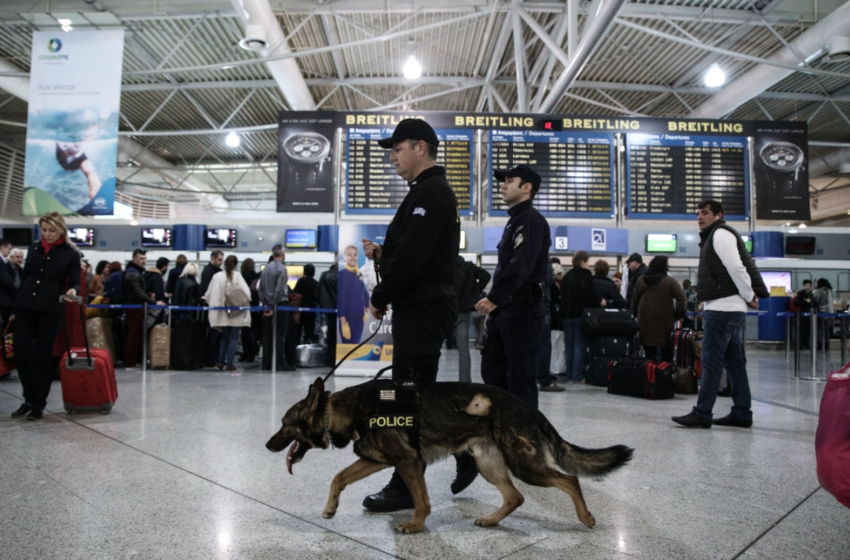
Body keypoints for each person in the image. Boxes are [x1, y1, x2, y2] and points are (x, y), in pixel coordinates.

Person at [360, 118, 460, 512]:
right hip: (420, 307)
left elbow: (415, 262)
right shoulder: (426, 192)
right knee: (414, 395)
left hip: (422, 309)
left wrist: (379, 295)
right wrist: (386, 255)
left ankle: (403, 487)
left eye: (397, 149)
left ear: (420, 147)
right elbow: (418, 253)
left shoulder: (429, 194)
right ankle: (462, 453)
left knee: (404, 399)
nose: (393, 158)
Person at [672, 200, 769, 429]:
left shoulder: (720, 234)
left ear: (718, 215)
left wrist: (748, 295)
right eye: (697, 213)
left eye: (704, 212)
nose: (699, 217)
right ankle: (742, 412)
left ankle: (702, 413)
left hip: (723, 308)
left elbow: (737, 268)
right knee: (735, 363)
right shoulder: (715, 235)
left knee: (711, 361)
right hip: (730, 308)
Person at [477, 163, 552, 407]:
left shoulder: (530, 220)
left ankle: (525, 441)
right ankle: (503, 434)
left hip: (523, 312)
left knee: (521, 380)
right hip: (507, 313)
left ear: (526, 187)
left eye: (510, 180)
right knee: (493, 373)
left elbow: (521, 265)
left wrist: (494, 297)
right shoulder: (516, 221)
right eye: (503, 180)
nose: (503, 185)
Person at [10, 212, 81, 421]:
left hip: (50, 309)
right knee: (21, 355)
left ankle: (38, 403)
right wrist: (15, 308)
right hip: (25, 306)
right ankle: (29, 398)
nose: (47, 234)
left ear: (61, 230)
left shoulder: (71, 253)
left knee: (43, 357)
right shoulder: (33, 248)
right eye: (44, 230)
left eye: (52, 230)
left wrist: (73, 290)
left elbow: (75, 281)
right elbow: (26, 278)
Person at [560, 251, 606, 383]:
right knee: (579, 345)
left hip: (565, 314)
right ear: (582, 262)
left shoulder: (567, 275)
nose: (588, 265)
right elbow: (589, 290)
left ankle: (569, 374)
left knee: (569, 344)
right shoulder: (585, 274)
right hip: (579, 313)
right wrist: (599, 301)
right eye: (587, 262)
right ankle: (577, 376)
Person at [631, 256, 686, 362]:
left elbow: (635, 300)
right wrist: (679, 315)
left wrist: (634, 315)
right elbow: (681, 299)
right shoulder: (670, 281)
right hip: (665, 320)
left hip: (645, 319)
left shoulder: (641, 280)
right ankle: (664, 374)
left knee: (648, 352)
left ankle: (650, 375)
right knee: (666, 352)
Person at [205, 255, 251, 371]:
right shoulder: (238, 276)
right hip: (236, 312)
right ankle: (230, 363)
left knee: (224, 337)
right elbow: (247, 294)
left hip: (222, 312)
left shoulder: (217, 276)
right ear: (235, 265)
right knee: (233, 338)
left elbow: (208, 295)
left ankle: (220, 362)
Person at [123, 249, 164, 368]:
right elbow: (138, 292)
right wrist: (154, 301)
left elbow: (139, 291)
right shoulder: (133, 273)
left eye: (145, 258)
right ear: (134, 260)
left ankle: (133, 360)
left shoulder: (134, 272)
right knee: (133, 334)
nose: (143, 261)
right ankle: (130, 361)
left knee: (135, 334)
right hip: (134, 307)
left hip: (135, 305)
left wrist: (148, 295)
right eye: (141, 259)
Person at [452, 255, 491, 383]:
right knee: (463, 350)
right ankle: (465, 382)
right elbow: (486, 275)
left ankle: (431, 382)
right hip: (463, 311)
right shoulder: (468, 267)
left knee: (434, 347)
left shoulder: (444, 265)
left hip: (445, 310)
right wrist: (474, 292)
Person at [258, 244, 293, 371]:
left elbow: (260, 288)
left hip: (267, 304)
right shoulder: (282, 269)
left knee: (267, 335)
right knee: (280, 334)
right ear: (283, 254)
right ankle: (280, 363)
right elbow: (279, 289)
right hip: (280, 304)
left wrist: (266, 304)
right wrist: (274, 304)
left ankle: (266, 363)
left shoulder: (266, 269)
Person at [537, 259, 565, 392]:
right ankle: (545, 380)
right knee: (543, 345)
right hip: (541, 306)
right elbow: (548, 280)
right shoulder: (543, 260)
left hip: (525, 307)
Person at [338, 246, 371, 344]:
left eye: (355, 255)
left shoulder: (359, 274)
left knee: (356, 344)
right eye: (349, 255)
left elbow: (364, 292)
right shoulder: (341, 275)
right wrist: (342, 317)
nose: (352, 257)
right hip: (347, 317)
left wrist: (367, 308)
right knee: (347, 345)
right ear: (344, 257)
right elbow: (340, 296)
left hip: (359, 316)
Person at [201, 251, 225, 366]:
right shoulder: (208, 272)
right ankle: (210, 359)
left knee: (217, 335)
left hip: (218, 307)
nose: (221, 262)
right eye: (219, 260)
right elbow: (206, 291)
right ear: (213, 258)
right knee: (213, 335)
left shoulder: (219, 272)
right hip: (211, 308)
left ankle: (215, 357)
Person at [240, 258, 261, 362]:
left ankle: (247, 353)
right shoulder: (256, 276)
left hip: (246, 306)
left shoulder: (243, 277)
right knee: (253, 331)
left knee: (245, 331)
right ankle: (253, 352)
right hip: (256, 306)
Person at [292, 263, 319, 344]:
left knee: (298, 329)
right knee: (309, 330)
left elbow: (295, 293)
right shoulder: (315, 283)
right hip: (312, 309)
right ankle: (307, 346)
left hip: (300, 309)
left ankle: (296, 346)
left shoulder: (301, 281)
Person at [317, 262, 338, 364]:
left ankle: (330, 358)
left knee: (330, 333)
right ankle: (337, 358)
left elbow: (318, 291)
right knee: (339, 334)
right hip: (340, 308)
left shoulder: (324, 274)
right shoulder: (342, 275)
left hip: (327, 308)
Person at [790, 280, 813, 349]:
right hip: (802, 315)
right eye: (806, 285)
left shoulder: (811, 294)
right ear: (804, 286)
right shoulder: (801, 294)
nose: (807, 287)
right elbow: (796, 303)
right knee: (802, 330)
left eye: (809, 285)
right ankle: (801, 344)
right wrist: (806, 302)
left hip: (809, 315)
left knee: (808, 331)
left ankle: (806, 343)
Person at [813, 278, 835, 350]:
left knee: (820, 329)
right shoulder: (829, 291)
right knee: (827, 329)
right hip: (828, 312)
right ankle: (827, 345)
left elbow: (815, 300)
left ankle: (820, 344)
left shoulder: (818, 291)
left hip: (820, 312)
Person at [0, 238, 15, 325]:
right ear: (2, 248)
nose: (10, 251)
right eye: (9, 249)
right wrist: (16, 291)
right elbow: (5, 280)